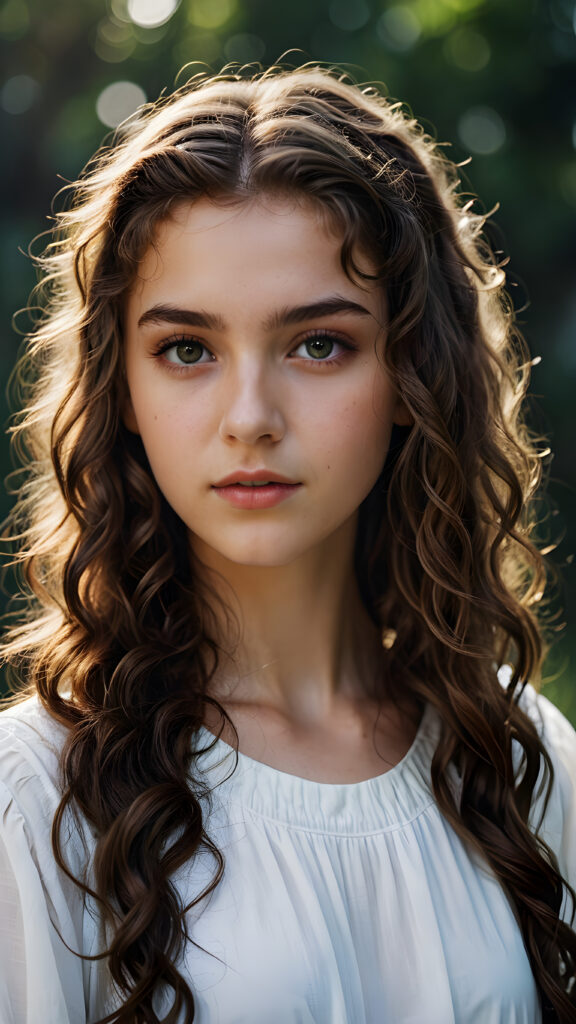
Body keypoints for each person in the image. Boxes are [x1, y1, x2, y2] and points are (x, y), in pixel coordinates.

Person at [0, 63, 574, 1024]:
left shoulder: (518, 755)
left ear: (412, 374)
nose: (250, 418)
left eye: (319, 344)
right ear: (122, 393)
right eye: (187, 349)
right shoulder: (40, 793)